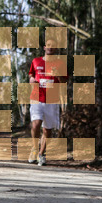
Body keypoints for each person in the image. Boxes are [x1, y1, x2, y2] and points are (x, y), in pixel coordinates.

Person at [28, 38, 68, 166]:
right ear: (44, 47)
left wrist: (58, 76)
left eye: (53, 46)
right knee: (36, 125)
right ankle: (34, 148)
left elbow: (64, 82)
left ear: (55, 49)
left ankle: (41, 154)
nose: (50, 48)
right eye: (48, 45)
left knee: (47, 130)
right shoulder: (36, 61)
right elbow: (31, 75)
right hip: (36, 97)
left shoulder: (60, 64)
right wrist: (32, 80)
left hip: (52, 100)